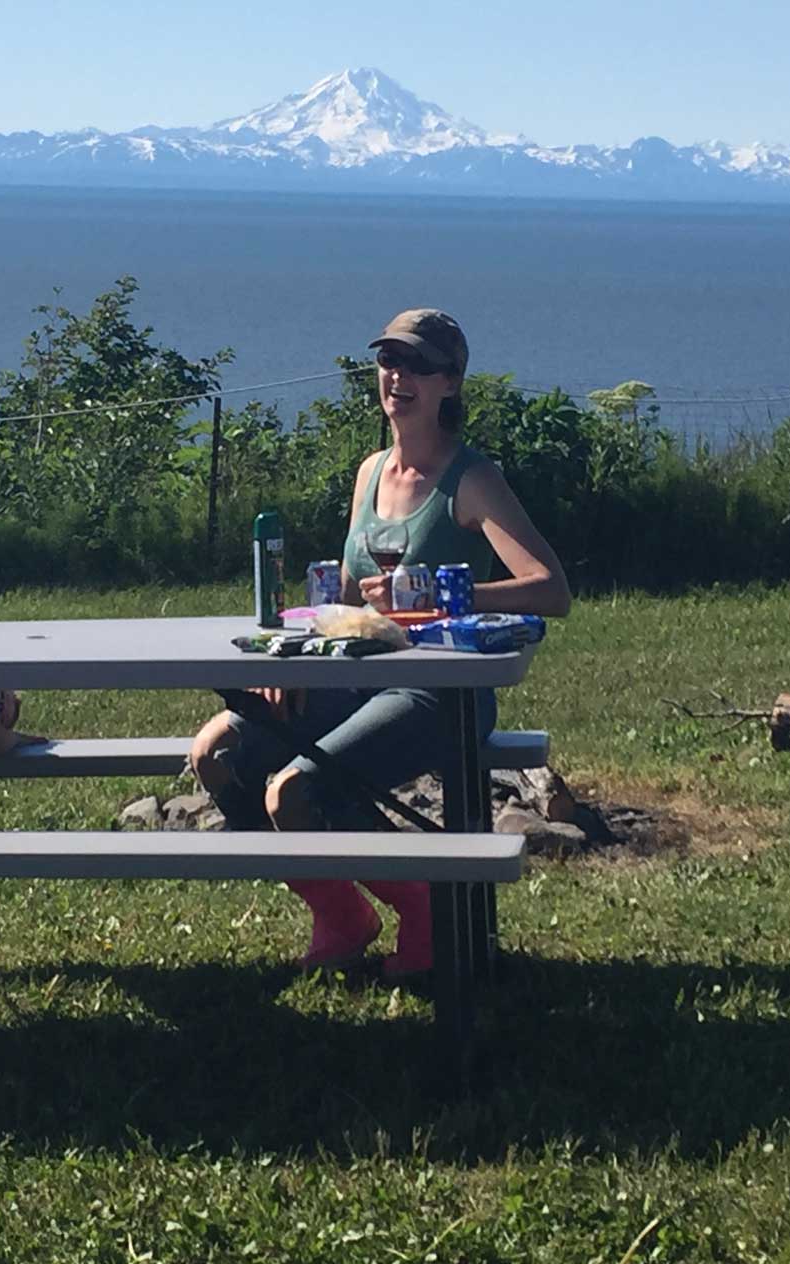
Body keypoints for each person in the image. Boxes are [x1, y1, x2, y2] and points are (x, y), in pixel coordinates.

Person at [190, 308, 572, 977]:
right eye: (390, 360)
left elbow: (550, 589)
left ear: (450, 383)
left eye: (419, 365)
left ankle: (422, 910)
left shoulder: (471, 480)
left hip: (441, 692)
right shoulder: (370, 472)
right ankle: (343, 913)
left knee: (296, 792)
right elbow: (347, 593)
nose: (398, 376)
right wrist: (299, 657)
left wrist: (436, 596)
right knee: (215, 753)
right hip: (351, 679)